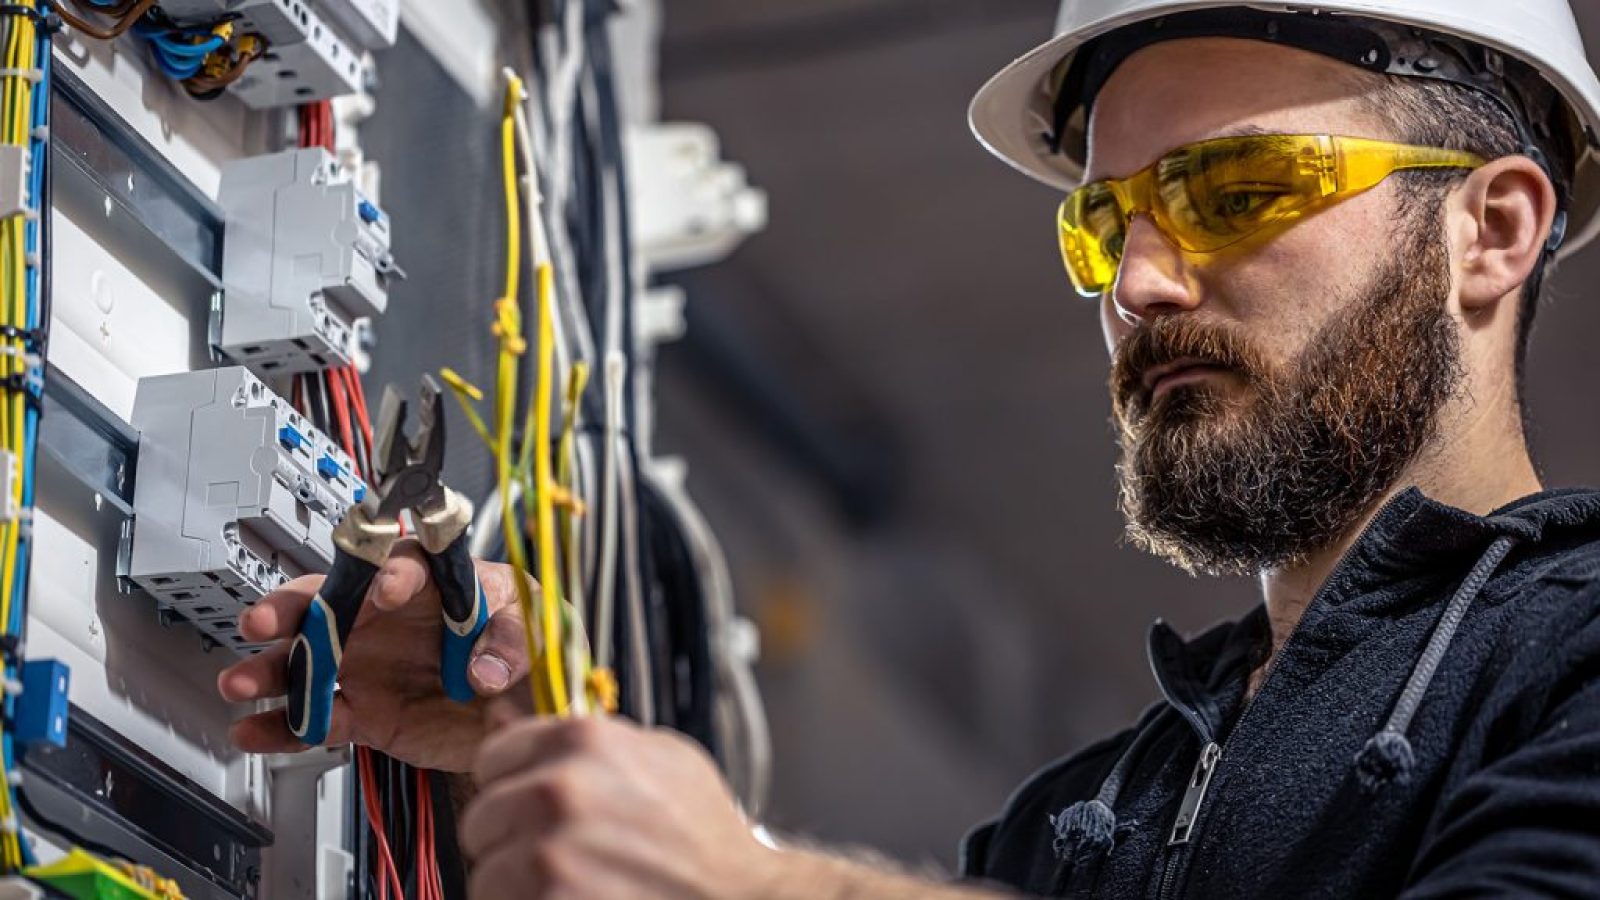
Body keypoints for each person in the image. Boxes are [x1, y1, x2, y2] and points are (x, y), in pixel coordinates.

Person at [217, 0, 1600, 896]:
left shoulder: (1570, 666)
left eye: (1235, 190)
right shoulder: (1082, 825)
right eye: (1106, 223)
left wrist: (759, 888)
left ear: (1493, 231)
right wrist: (511, 776)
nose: (1139, 284)